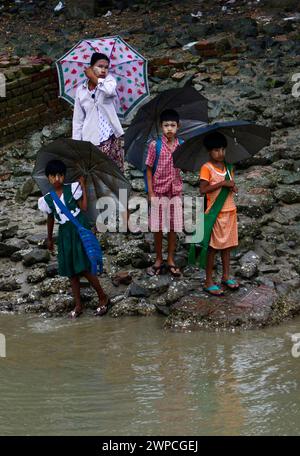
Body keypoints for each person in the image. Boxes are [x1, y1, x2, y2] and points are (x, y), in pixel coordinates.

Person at [38, 159, 110, 318]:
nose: (57, 179)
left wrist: (83, 186)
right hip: (64, 232)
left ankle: (103, 297)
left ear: (64, 176)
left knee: (84, 266)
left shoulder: (73, 188)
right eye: (53, 176)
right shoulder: (47, 199)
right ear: (48, 178)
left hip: (78, 228)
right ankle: (78, 305)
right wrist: (49, 239)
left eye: (60, 175)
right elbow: (50, 219)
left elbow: (83, 208)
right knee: (71, 271)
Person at [199, 132, 239, 296]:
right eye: (216, 150)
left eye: (223, 149)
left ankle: (225, 276)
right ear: (209, 151)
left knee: (227, 246)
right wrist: (223, 183)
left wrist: (232, 187)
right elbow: (203, 189)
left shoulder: (229, 168)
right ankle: (209, 281)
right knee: (213, 248)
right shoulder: (206, 168)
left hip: (230, 211)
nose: (220, 153)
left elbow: (230, 187)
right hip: (215, 213)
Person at [145, 109, 183, 277]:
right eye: (166, 125)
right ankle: (159, 258)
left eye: (172, 125)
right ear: (161, 127)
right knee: (157, 226)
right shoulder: (155, 145)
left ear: (178, 127)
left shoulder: (181, 145)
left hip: (175, 191)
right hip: (159, 191)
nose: (169, 128)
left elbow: (184, 165)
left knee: (173, 226)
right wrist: (151, 192)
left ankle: (170, 258)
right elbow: (148, 169)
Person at [72, 52, 125, 172]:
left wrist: (94, 78)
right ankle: (103, 192)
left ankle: (124, 192)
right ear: (90, 67)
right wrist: (76, 145)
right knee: (98, 174)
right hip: (91, 140)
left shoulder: (109, 81)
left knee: (118, 171)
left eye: (106, 67)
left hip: (111, 137)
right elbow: (78, 121)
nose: (103, 70)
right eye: (100, 66)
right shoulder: (81, 90)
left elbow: (109, 91)